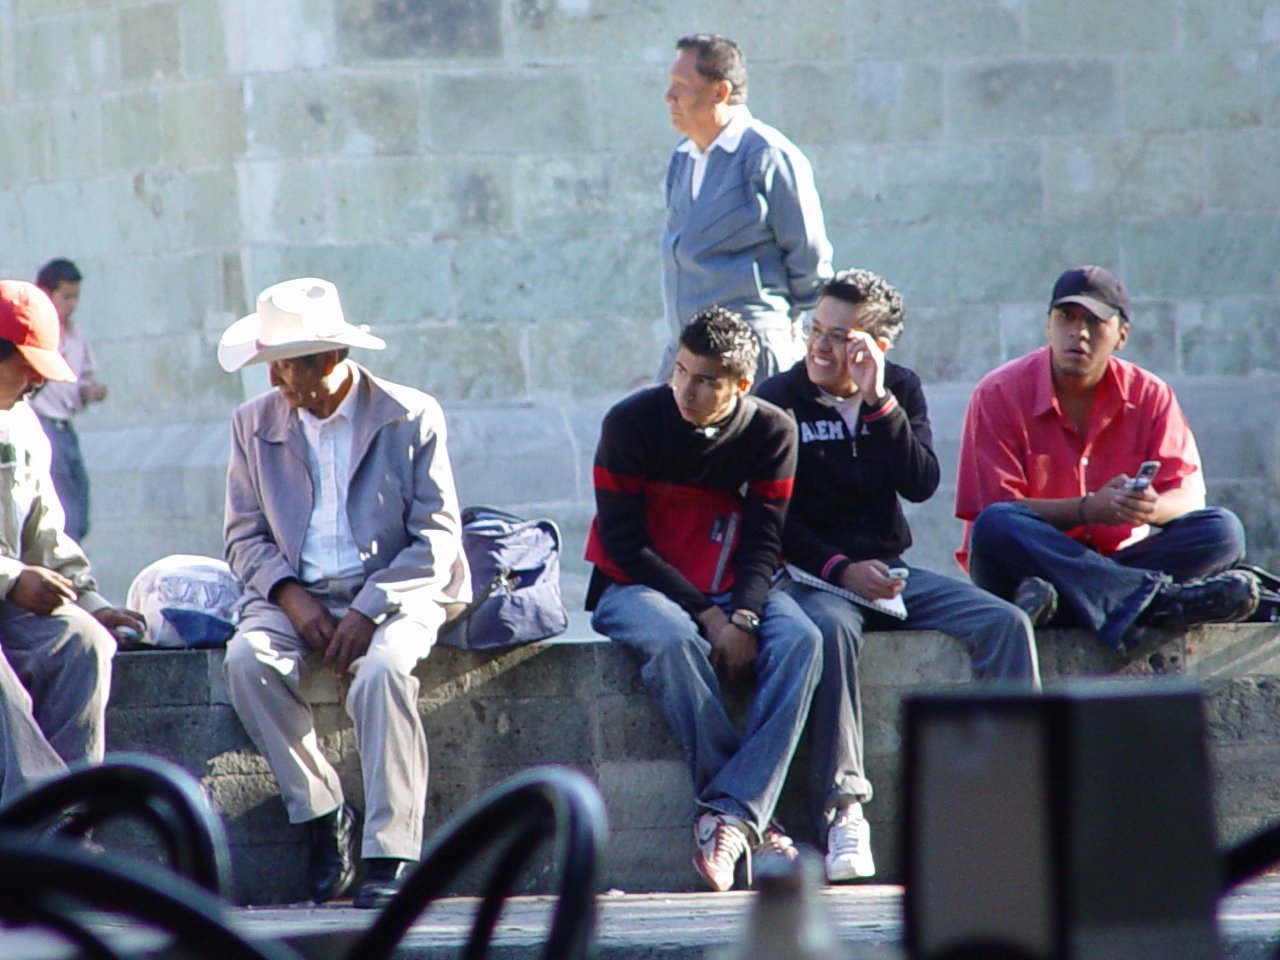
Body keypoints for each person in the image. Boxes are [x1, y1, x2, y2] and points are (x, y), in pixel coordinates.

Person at [755, 268, 1040, 884]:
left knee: (1006, 623)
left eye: (840, 337)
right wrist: (839, 570)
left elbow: (921, 482)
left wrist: (878, 400)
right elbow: (771, 516)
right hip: (813, 574)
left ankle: (1018, 803)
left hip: (890, 572)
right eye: (816, 330)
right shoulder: (778, 399)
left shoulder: (899, 390)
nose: (821, 348)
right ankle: (844, 810)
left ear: (875, 346)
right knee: (829, 632)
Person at [217, 277, 470, 908]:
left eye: (285, 369)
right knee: (247, 662)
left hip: (396, 591)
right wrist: (293, 598)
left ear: (330, 360)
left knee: (382, 672)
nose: (276, 384)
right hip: (290, 596)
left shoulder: (410, 415)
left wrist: (368, 607)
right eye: (270, 367)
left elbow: (436, 538)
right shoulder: (253, 424)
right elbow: (243, 536)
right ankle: (325, 814)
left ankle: (392, 851)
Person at [585, 306, 822, 892]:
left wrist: (743, 613)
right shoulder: (631, 422)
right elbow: (624, 542)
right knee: (672, 642)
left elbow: (767, 538)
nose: (685, 390)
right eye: (681, 370)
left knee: (803, 639)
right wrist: (713, 617)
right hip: (632, 585)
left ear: (741, 385)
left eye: (706, 380)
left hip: (732, 585)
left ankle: (729, 815)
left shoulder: (773, 430)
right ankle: (743, 814)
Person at [955, 265, 1258, 653]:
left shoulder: (1150, 394)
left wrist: (1150, 508)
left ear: (1121, 336)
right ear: (1048, 326)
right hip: (1027, 564)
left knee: (1223, 531)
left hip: (1110, 564)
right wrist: (1089, 509)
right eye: (1066, 317)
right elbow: (995, 508)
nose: (1077, 333)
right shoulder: (997, 393)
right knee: (996, 525)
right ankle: (1162, 604)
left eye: (1094, 322)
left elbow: (1188, 496)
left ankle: (1068, 606)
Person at [0, 280, 144, 803]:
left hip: (9, 602)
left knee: (83, 642)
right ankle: (35, 818)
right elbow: (20, 571)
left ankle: (77, 816)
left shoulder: (24, 425)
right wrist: (13, 578)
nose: (38, 381)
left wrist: (88, 599)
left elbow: (45, 531)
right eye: (28, 365)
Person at [658, 33, 833, 383]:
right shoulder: (683, 158)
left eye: (681, 85)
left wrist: (779, 330)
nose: (669, 97)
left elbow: (809, 260)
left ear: (719, 92)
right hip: (688, 354)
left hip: (752, 357)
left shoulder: (768, 156)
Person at [29, 258, 108, 543]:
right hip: (41, 423)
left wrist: (90, 392)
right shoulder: (34, 336)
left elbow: (81, 380)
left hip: (65, 426)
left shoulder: (76, 336)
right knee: (64, 514)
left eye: (76, 297)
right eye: (66, 297)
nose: (72, 304)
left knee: (79, 506)